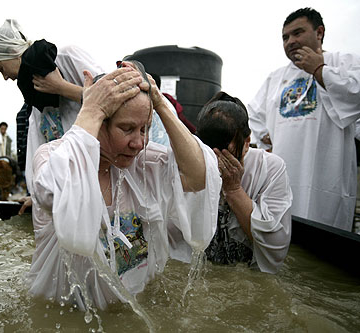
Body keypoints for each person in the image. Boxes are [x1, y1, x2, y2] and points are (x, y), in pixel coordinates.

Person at [25, 62, 221, 310]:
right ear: (99, 122)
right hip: (69, 312)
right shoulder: (53, 157)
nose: (139, 143)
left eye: (145, 129)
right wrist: (92, 109)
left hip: (136, 305)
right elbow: (52, 192)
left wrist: (160, 103)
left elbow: (199, 176)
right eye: (127, 129)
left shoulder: (143, 164)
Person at [248, 7, 360, 231]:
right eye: (285, 37)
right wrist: (264, 137)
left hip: (327, 176)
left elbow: (356, 94)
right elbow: (253, 112)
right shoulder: (276, 77)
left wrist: (319, 70)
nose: (290, 41)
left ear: (319, 32)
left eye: (297, 33)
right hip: (284, 177)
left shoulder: (344, 62)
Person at [0, 19, 105, 193]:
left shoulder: (67, 57)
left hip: (101, 174)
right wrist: (36, 196)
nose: (5, 77)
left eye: (1, 68)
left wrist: (62, 88)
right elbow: (37, 147)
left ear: (13, 51)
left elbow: (114, 98)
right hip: (72, 186)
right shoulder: (35, 99)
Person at [196, 92, 292, 273]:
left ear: (247, 141)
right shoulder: (192, 160)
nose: (217, 163)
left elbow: (276, 244)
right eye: (209, 153)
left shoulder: (269, 167)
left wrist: (233, 190)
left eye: (226, 153)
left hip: (247, 272)